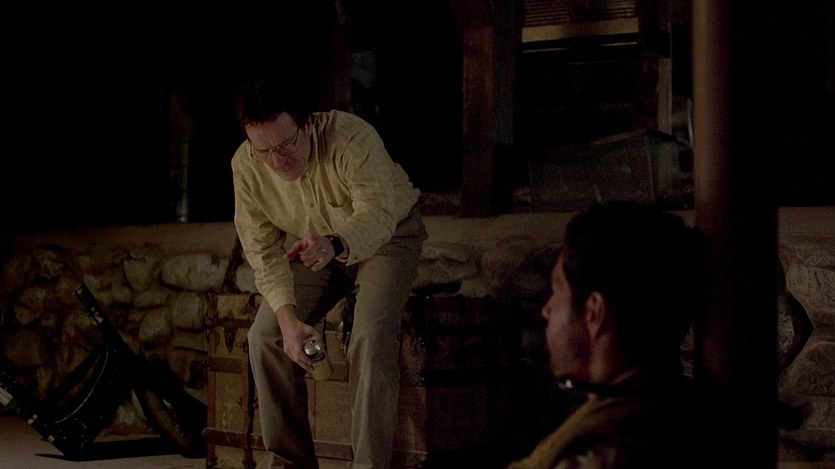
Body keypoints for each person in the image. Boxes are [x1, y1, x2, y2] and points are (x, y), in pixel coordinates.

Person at [231, 73, 427, 468]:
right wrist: (288, 322)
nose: (276, 161)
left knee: (370, 336)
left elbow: (378, 215)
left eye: (284, 146)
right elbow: (262, 251)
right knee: (266, 337)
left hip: (388, 238)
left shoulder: (352, 138)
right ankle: (292, 464)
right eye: (263, 150)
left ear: (307, 124)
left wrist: (335, 243)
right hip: (316, 249)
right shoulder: (247, 164)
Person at [508, 201, 706, 469]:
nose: (546, 309)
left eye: (557, 290)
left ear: (594, 312)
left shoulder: (605, 455)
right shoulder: (661, 404)